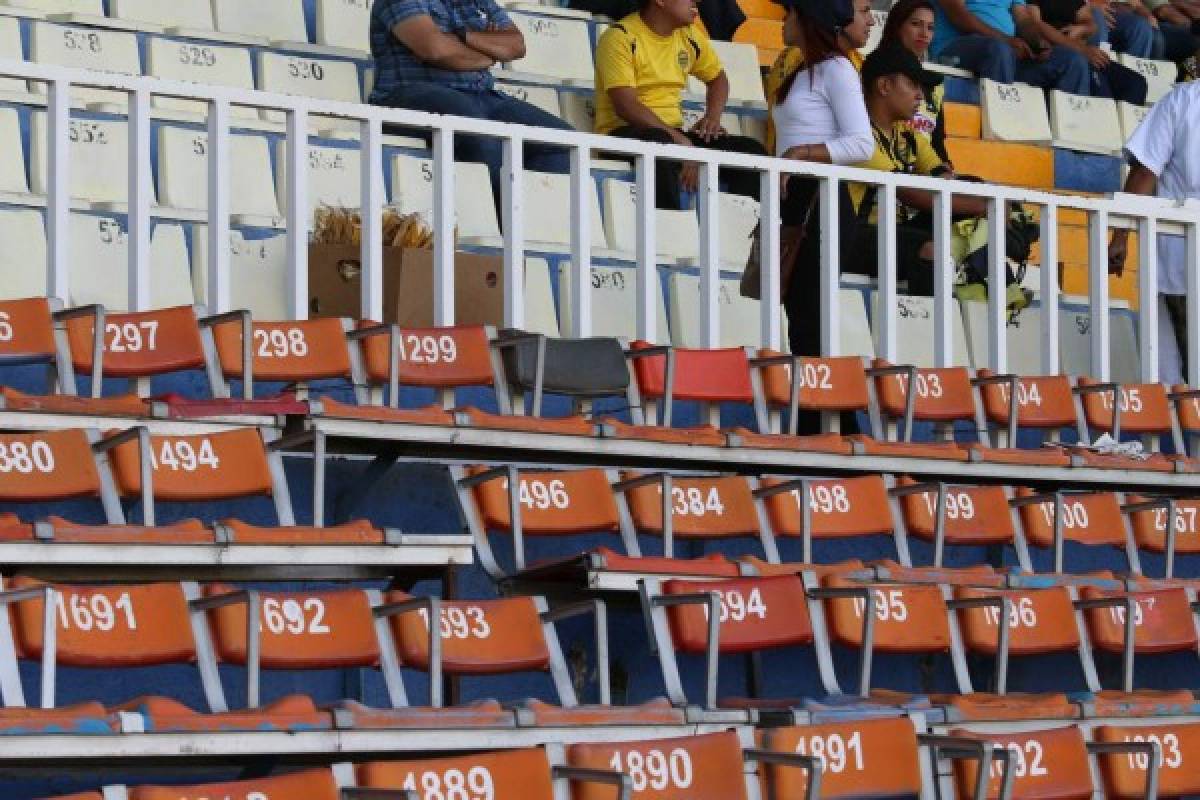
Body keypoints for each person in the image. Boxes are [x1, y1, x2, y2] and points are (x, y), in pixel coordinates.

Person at [368, 0, 575, 199]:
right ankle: (498, 226)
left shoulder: (478, 2)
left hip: (482, 95)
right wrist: (488, 54)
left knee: (562, 140)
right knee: (478, 130)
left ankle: (533, 225)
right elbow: (435, 50)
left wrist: (463, 36)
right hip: (410, 93)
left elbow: (516, 46)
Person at [773, 0, 873, 387]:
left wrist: (805, 153)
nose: (784, 20)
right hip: (797, 197)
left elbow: (862, 144)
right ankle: (817, 420)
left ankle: (825, 420)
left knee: (810, 315)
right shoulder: (804, 70)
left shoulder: (837, 68)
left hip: (822, 198)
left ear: (808, 19)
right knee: (800, 314)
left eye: (791, 13)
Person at [593, 0, 767, 209]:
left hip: (670, 136)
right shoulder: (619, 37)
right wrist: (682, 144)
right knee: (659, 143)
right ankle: (670, 227)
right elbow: (626, 105)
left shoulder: (689, 35)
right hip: (622, 135)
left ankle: (741, 230)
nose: (698, 1)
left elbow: (718, 79)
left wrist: (712, 117)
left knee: (751, 151)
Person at [848, 44, 989, 293]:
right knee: (930, 246)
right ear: (884, 86)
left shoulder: (908, 134)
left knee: (973, 191)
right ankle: (924, 326)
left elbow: (943, 181)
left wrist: (982, 197)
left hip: (896, 230)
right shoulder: (859, 135)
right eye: (913, 85)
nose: (920, 96)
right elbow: (908, 193)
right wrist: (987, 205)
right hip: (853, 236)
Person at [1109, 81, 1200, 385]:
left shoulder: (1184, 99)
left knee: (1181, 376)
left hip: (1180, 263)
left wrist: (1120, 236)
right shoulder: (1184, 99)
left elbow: (1146, 171)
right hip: (1180, 261)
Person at [930, 0, 1092, 95]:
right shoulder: (1002, 44)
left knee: (1071, 60)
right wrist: (1005, 40)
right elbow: (959, 16)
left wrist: (1038, 42)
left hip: (1006, 53)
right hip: (955, 47)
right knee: (998, 50)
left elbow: (1023, 19)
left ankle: (1073, 148)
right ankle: (1000, 130)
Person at [1025, 0, 1148, 103]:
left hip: (1081, 49)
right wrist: (1078, 47)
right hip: (1057, 52)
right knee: (1102, 93)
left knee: (1136, 84)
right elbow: (1035, 25)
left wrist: (1083, 28)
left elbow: (1089, 21)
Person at [879, 0, 949, 160]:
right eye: (916, 24)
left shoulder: (934, 85)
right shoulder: (876, 72)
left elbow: (937, 143)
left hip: (926, 171)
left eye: (930, 28)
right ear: (897, 26)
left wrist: (945, 167)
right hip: (888, 170)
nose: (924, 33)